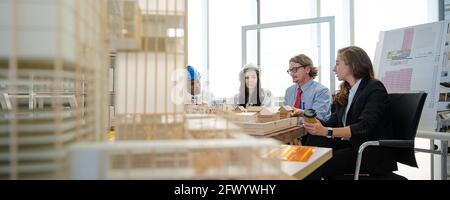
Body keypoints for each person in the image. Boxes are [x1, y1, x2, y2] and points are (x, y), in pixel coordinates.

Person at [303, 46, 397, 179]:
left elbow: (364, 127)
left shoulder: (374, 88)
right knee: (314, 139)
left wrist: (326, 131)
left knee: (323, 162)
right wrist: (315, 124)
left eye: (337, 63)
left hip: (368, 152)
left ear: (352, 65)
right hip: (351, 145)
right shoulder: (347, 92)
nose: (334, 69)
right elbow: (333, 123)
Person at [284, 54, 331, 121]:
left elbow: (320, 116)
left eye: (295, 69)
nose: (291, 73)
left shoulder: (322, 91)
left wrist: (303, 113)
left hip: (312, 130)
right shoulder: (289, 91)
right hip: (292, 129)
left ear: (307, 69)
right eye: (290, 70)